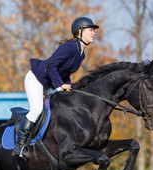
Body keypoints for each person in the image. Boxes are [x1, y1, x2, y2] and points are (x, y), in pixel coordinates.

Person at [12, 17, 99, 160]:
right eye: (91, 30)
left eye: (94, 30)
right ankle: (20, 146)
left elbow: (65, 72)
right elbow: (51, 66)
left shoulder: (81, 53)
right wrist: (60, 85)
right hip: (36, 78)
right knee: (37, 109)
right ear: (80, 31)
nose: (94, 33)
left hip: (49, 82)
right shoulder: (70, 47)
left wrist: (68, 87)